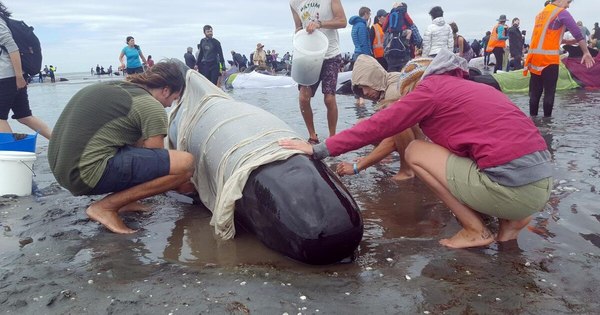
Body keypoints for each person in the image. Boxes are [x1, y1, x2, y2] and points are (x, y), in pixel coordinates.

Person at [280, 49, 553, 249]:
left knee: (415, 151)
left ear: (413, 83)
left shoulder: (430, 90)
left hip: (511, 186)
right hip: (540, 183)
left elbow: (376, 127)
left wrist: (319, 150)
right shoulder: (468, 88)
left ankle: (475, 230)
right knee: (460, 154)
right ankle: (511, 220)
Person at [47, 60, 194, 234]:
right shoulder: (151, 106)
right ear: (166, 90)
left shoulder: (119, 87)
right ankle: (105, 208)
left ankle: (127, 202)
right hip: (85, 174)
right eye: (174, 99)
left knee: (134, 146)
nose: (170, 106)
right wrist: (186, 185)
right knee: (185, 163)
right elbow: (159, 165)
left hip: (62, 170)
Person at [342, 54, 429, 180]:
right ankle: (388, 155)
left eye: (365, 86)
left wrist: (359, 166)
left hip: (430, 141)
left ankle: (407, 170)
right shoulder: (387, 81)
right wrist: (373, 157)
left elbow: (395, 132)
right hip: (421, 137)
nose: (364, 93)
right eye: (361, 89)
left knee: (397, 122)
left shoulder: (393, 92)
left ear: (374, 78)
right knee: (364, 125)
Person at [524, 0, 595, 117]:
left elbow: (547, 36)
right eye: (568, 2)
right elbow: (577, 32)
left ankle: (533, 122)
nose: (568, 6)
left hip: (534, 59)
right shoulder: (561, 12)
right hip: (548, 60)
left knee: (535, 93)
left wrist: (566, 41)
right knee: (549, 93)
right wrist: (586, 52)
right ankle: (547, 126)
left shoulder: (541, 14)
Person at [290, 0, 347, 144]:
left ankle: (333, 137)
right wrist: (299, 37)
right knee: (304, 97)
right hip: (309, 55)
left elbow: (342, 21)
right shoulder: (293, 3)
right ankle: (312, 136)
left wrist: (319, 24)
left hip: (331, 54)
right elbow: (298, 27)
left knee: (329, 98)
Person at [0, 3, 52, 139]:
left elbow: (13, 47)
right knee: (24, 116)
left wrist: (18, 76)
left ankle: (10, 153)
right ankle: (62, 145)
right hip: (13, 76)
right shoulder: (3, 20)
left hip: (7, 77)